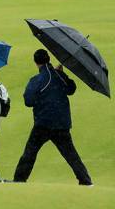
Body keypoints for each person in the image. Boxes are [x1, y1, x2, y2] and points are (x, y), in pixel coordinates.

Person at [12, 49, 93, 186]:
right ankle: (85, 180)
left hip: (43, 123)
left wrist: (41, 99)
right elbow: (71, 89)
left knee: (30, 152)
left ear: (36, 62)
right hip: (61, 123)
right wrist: (61, 73)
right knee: (71, 154)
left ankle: (19, 180)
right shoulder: (58, 76)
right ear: (48, 59)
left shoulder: (37, 79)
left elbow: (28, 101)